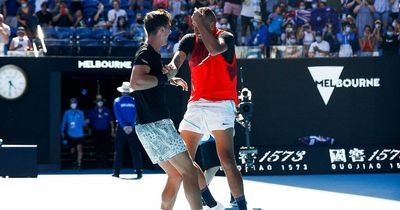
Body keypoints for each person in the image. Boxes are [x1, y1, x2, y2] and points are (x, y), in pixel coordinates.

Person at [163, 7, 247, 210]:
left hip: (222, 103)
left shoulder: (225, 37)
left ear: (211, 25)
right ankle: (209, 201)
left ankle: (242, 205)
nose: (194, 28)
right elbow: (177, 60)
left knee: (227, 160)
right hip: (196, 105)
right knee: (183, 160)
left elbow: (214, 49)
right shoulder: (189, 39)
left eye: (198, 24)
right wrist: (170, 71)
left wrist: (199, 22)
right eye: (193, 25)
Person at [129, 9, 202, 210]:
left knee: (176, 174)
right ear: (161, 29)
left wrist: (169, 80)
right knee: (190, 172)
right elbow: (136, 83)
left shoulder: (152, 54)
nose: (170, 32)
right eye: (169, 28)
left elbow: (154, 78)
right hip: (156, 124)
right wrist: (165, 78)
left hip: (146, 126)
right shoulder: (145, 53)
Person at [112, 82, 143, 178]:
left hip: (122, 128)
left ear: (122, 92)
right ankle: (138, 171)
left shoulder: (117, 101)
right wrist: (131, 126)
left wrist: (124, 126)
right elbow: (136, 115)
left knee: (119, 150)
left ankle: (116, 172)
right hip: (132, 128)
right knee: (135, 150)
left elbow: (118, 115)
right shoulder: (134, 101)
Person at [87, 94, 115, 168]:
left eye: (101, 101)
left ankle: (105, 163)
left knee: (105, 147)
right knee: (97, 148)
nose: (100, 102)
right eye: (98, 101)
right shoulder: (92, 110)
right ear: (96, 102)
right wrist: (89, 128)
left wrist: (112, 130)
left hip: (105, 132)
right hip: (96, 132)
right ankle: (98, 163)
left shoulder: (107, 110)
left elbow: (111, 121)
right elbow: (88, 121)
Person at [61, 98, 86, 170]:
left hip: (79, 134)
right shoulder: (67, 113)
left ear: (77, 103)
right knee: (72, 150)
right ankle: (74, 162)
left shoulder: (80, 113)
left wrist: (86, 122)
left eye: (74, 102)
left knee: (79, 149)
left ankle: (79, 164)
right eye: (72, 103)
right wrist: (62, 132)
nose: (73, 104)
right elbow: (63, 123)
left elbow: (83, 123)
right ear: (70, 104)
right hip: (70, 134)